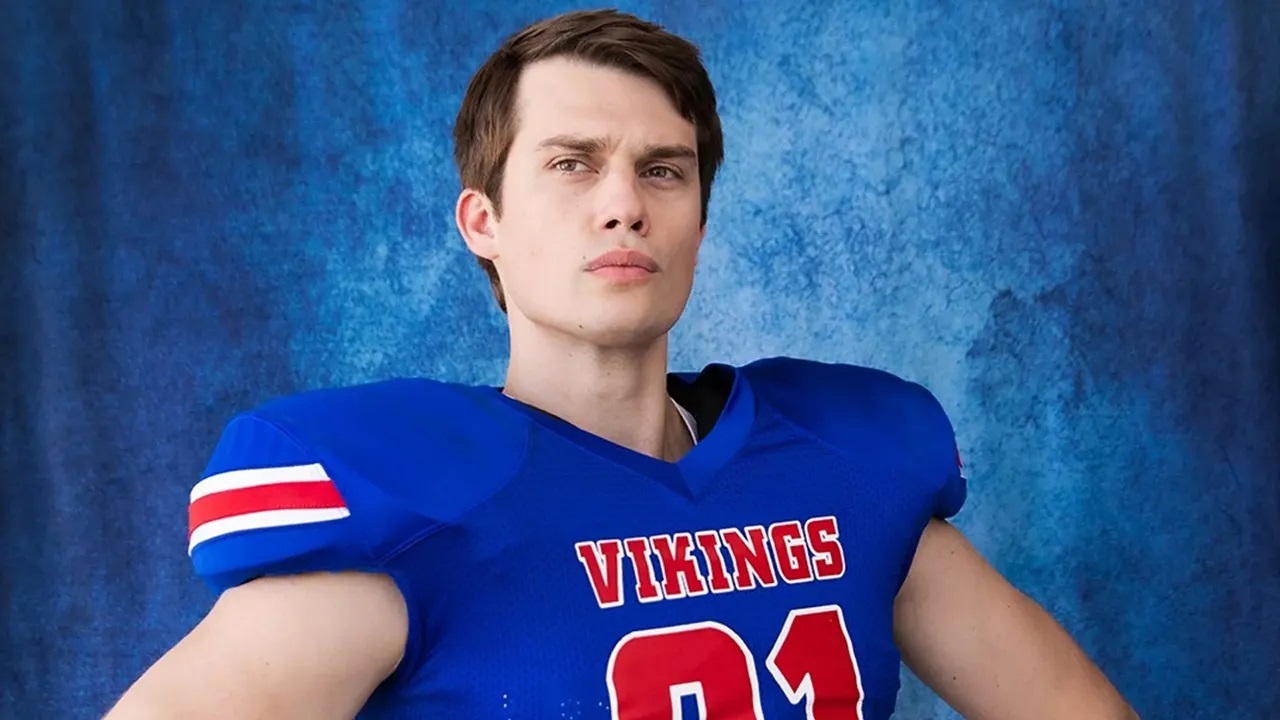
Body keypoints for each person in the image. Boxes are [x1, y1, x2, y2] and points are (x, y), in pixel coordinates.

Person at [105, 9, 1139, 719]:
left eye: (663, 170)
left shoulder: (844, 467)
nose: (623, 204)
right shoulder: (415, 510)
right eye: (571, 164)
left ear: (698, 219)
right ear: (482, 222)